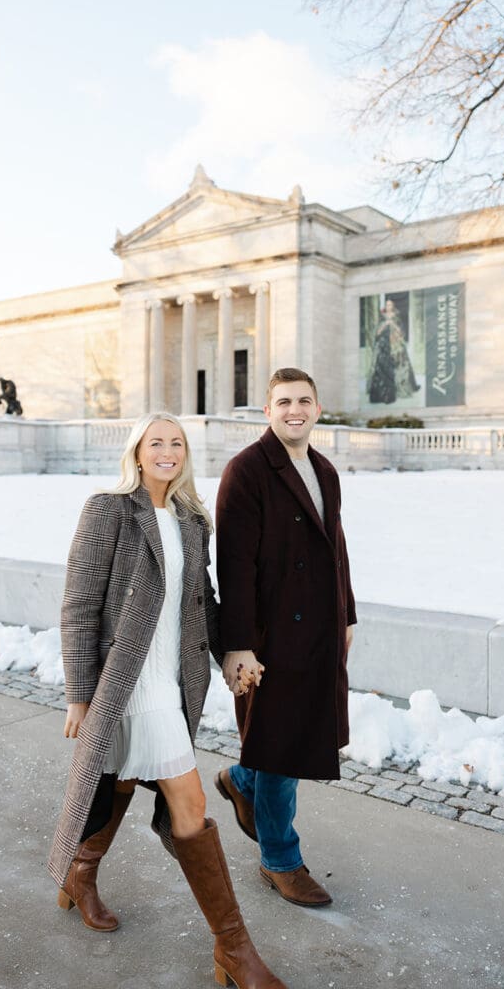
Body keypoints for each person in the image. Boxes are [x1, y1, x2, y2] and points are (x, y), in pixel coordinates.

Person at [48, 412, 286, 989]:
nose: (167, 450)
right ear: (136, 451)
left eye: (177, 443)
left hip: (170, 680)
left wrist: (235, 650)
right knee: (190, 800)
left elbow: (200, 598)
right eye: (156, 441)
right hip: (125, 681)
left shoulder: (190, 519)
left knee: (123, 781)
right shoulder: (108, 509)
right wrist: (81, 696)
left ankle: (81, 872)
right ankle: (234, 949)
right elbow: (79, 607)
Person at [214, 369, 356, 908]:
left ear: (317, 408)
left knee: (287, 741)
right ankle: (280, 859)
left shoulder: (324, 469)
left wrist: (347, 617)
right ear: (267, 410)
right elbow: (233, 565)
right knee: (281, 748)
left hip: (319, 631)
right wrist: (239, 644)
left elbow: (335, 550)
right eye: (283, 402)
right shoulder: (246, 470)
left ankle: (240, 779)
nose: (294, 410)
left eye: (303, 401)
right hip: (271, 636)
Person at [368, 299, 420, 403]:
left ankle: (402, 387)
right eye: (387, 305)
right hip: (383, 344)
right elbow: (377, 333)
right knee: (381, 366)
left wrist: (393, 324)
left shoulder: (397, 316)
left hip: (396, 344)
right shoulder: (381, 316)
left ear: (393, 306)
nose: (388, 306)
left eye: (390, 305)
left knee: (401, 363)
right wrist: (385, 324)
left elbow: (401, 332)